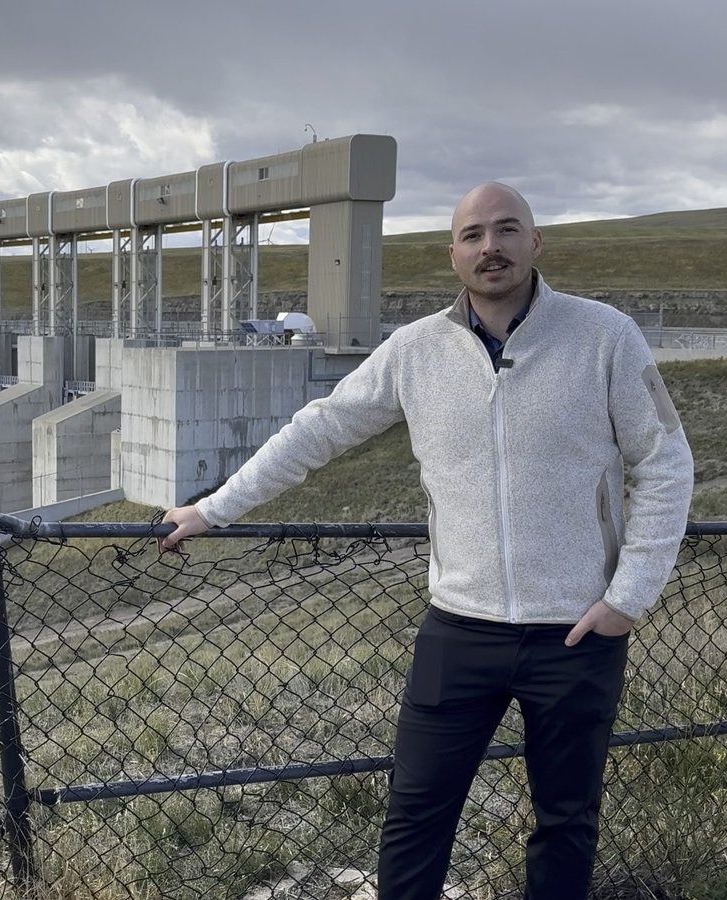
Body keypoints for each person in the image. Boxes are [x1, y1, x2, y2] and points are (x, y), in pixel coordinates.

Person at [159, 182, 693, 898]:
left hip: (577, 631)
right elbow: (319, 429)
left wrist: (627, 597)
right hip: (459, 631)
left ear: (537, 243)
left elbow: (665, 459)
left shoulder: (605, 337)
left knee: (566, 822)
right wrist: (213, 510)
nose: (490, 247)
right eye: (473, 235)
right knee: (415, 816)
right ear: (453, 254)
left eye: (507, 230)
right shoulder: (415, 351)